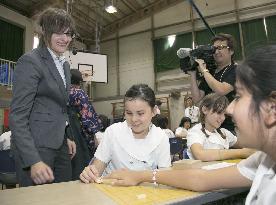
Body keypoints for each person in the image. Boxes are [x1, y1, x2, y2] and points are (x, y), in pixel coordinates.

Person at [104, 45, 276, 204]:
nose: (229, 110)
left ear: (271, 108)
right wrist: (141, 175)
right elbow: (201, 179)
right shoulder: (264, 160)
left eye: (238, 97)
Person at [9, 8, 77, 187]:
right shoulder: (30, 61)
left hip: (59, 144)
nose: (65, 39)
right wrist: (33, 160)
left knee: (64, 195)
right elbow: (17, 116)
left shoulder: (64, 66)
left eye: (69, 34)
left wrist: (65, 137)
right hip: (36, 147)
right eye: (59, 33)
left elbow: (59, 108)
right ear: (45, 32)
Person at [79, 84, 171, 184]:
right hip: (111, 192)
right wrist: (89, 173)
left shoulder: (161, 137)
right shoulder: (113, 132)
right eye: (129, 113)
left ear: (153, 111)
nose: (134, 119)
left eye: (140, 113)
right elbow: (96, 170)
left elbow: (165, 177)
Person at [190, 33, 236, 132]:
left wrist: (204, 70)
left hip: (230, 128)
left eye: (221, 47)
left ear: (231, 51)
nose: (216, 51)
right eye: (214, 49)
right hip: (209, 128)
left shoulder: (235, 70)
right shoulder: (210, 73)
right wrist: (192, 73)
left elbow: (221, 90)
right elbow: (197, 99)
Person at [186, 93, 253, 161]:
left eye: (224, 114)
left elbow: (244, 144)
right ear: (205, 110)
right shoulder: (195, 132)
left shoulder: (224, 133)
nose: (223, 118)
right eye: (219, 112)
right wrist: (242, 152)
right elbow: (200, 154)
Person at [69, 69, 103, 180]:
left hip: (65, 131)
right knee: (81, 162)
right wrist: (95, 132)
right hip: (77, 130)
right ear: (79, 82)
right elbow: (87, 115)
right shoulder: (79, 93)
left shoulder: (62, 92)